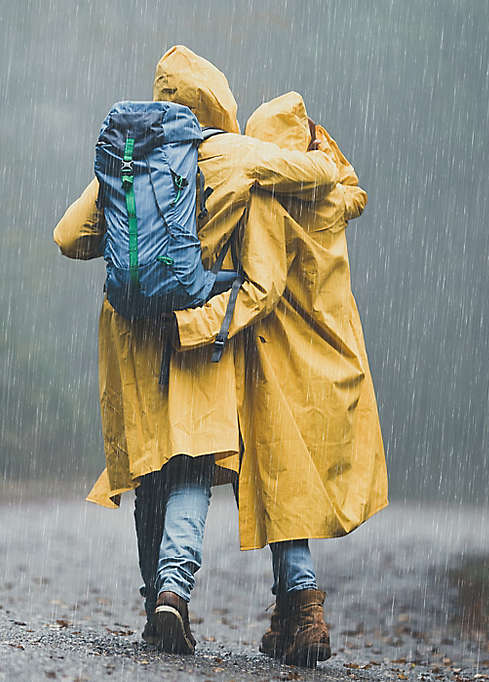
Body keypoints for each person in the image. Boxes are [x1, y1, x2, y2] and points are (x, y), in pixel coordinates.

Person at [54, 46, 341, 656]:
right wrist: (319, 154)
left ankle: (154, 594)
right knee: (194, 464)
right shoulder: (235, 156)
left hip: (132, 337)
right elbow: (317, 179)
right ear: (217, 101)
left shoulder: (129, 161)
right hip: (199, 337)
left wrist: (135, 259)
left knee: (150, 468)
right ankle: (183, 592)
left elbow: (68, 237)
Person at [171, 91, 388, 665]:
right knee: (295, 487)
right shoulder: (332, 199)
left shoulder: (270, 202)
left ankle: (303, 608)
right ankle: (292, 617)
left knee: (284, 486)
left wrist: (197, 325)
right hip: (335, 357)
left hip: (281, 358)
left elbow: (261, 290)